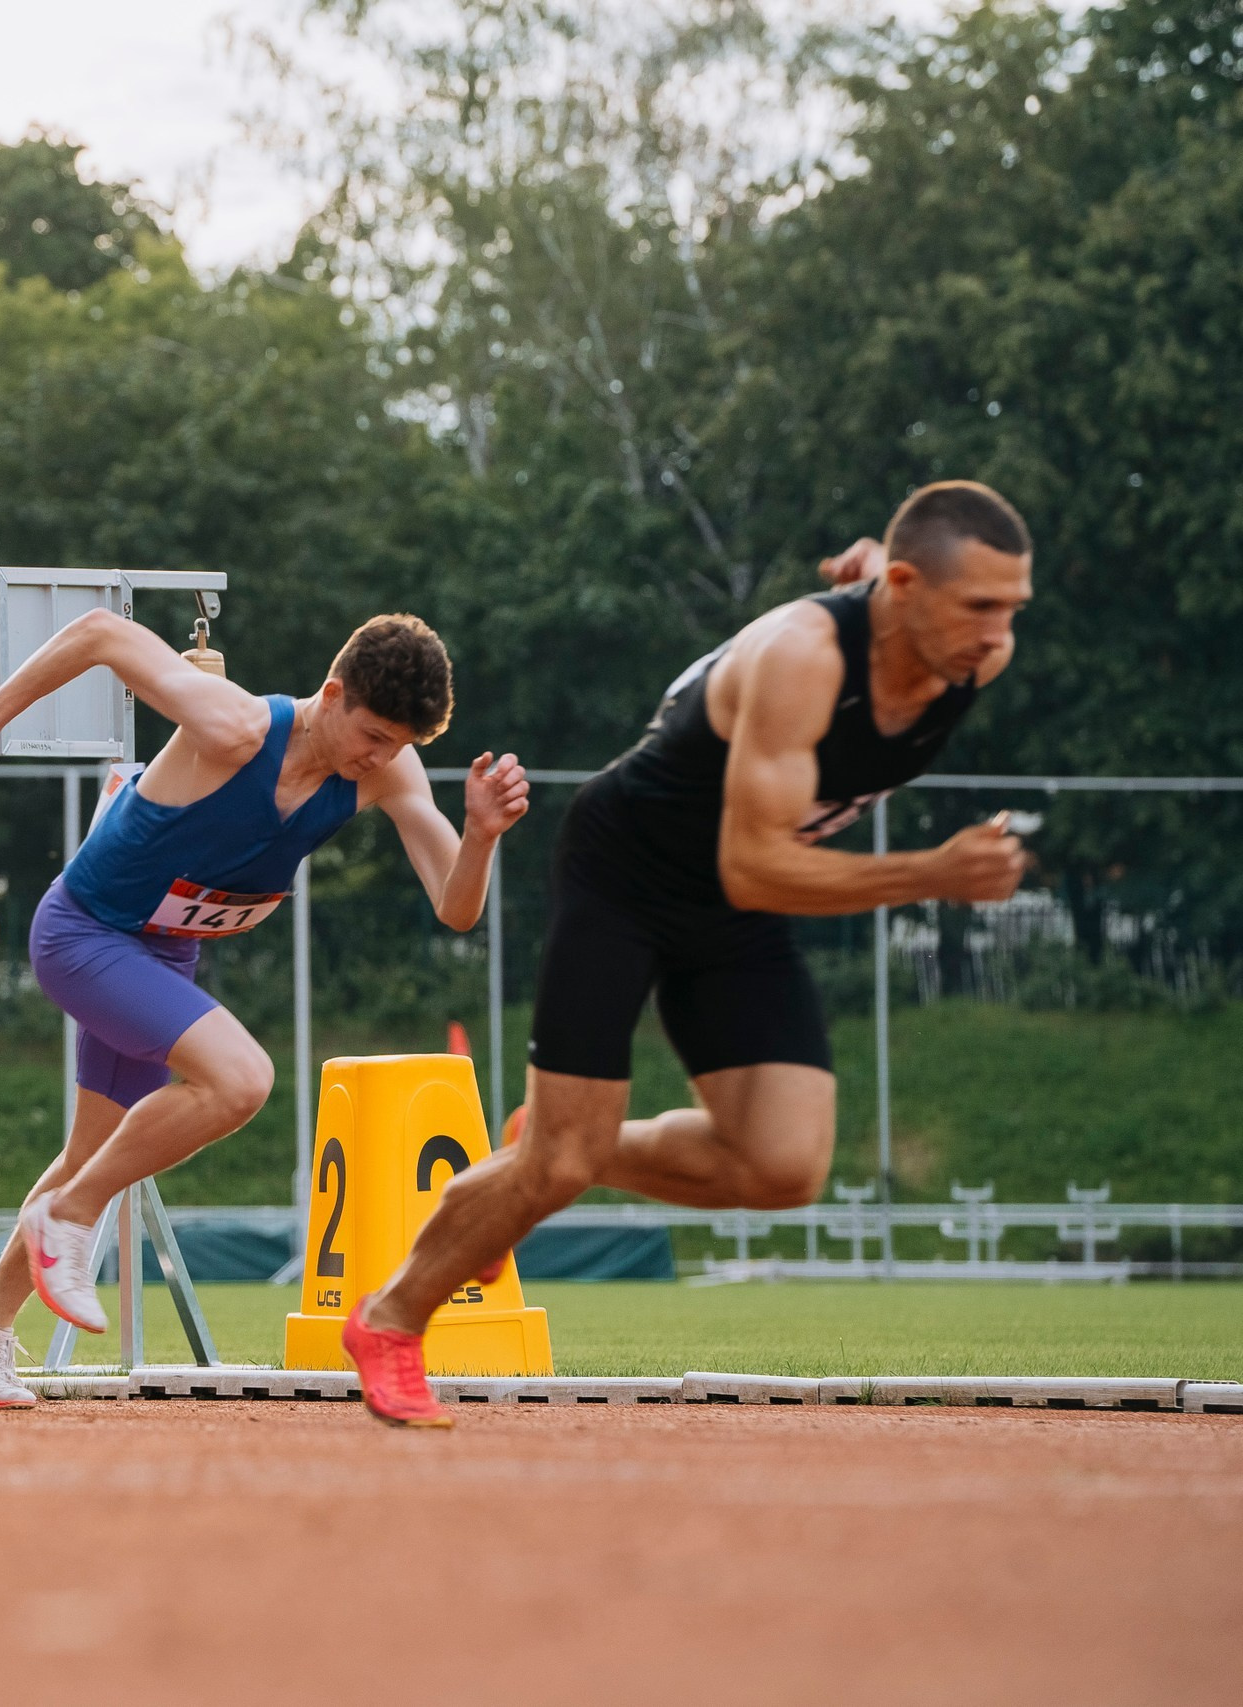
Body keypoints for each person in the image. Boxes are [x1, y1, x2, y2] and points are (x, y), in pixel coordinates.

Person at [345, 481, 1034, 1427]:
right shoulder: (800, 658)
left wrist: (878, 569)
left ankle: (549, 1146)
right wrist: (934, 873)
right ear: (912, 587)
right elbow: (755, 866)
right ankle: (390, 1318)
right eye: (980, 608)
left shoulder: (959, 646)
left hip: (731, 900)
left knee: (781, 1166)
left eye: (1012, 609)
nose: (997, 636)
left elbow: (896, 585)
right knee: (558, 1166)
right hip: (629, 870)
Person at [0, 611, 528, 1406]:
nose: (380, 757)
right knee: (241, 1079)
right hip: (85, 931)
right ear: (333, 692)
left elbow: (455, 907)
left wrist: (482, 835)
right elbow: (104, 632)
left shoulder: (388, 772)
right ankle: (69, 1216)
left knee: (91, 1149)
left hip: (163, 953)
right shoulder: (236, 723)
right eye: (374, 734)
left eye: (399, 745)